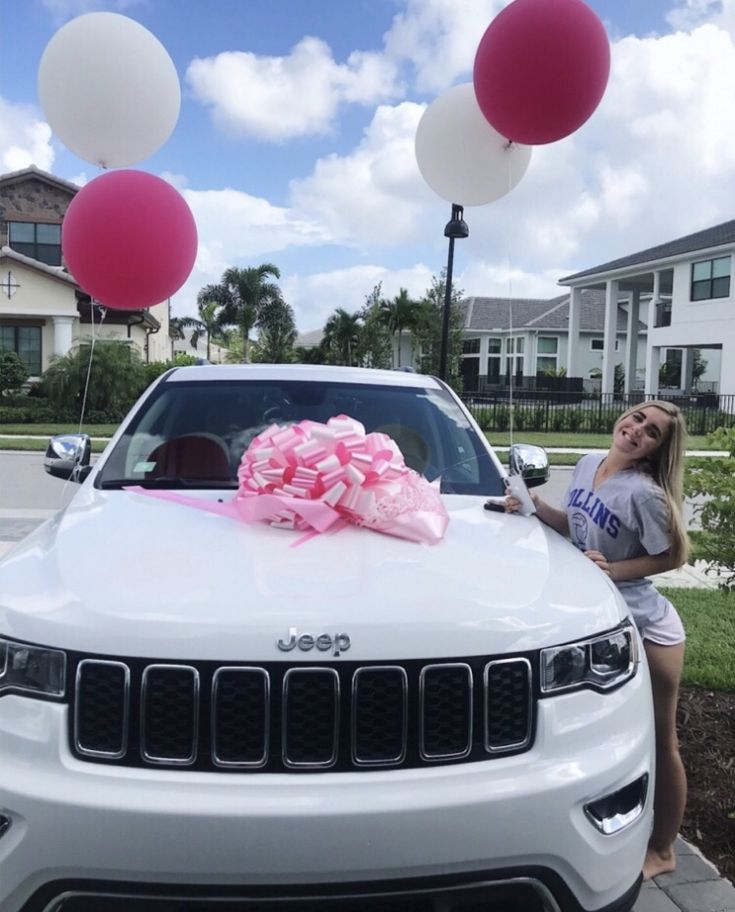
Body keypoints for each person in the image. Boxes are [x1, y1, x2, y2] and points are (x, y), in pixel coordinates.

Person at [506, 401, 689, 881]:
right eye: (635, 419)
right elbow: (574, 525)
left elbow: (672, 555)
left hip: (647, 627)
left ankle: (665, 850)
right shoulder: (590, 465)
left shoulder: (644, 494)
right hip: (599, 622)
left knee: (660, 739)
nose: (635, 430)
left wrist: (614, 570)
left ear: (657, 449)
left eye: (650, 432)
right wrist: (532, 506)